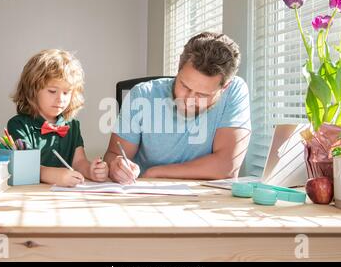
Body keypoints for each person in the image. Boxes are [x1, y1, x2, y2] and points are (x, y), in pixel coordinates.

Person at [104, 32, 251, 184]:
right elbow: (113, 154)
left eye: (202, 95)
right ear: (179, 68)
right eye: (184, 86)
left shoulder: (235, 91)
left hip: (203, 197)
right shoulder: (142, 94)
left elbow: (227, 166)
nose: (188, 100)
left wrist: (156, 172)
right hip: (145, 193)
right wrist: (116, 166)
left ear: (224, 87)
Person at [8, 49, 108, 187]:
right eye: (52, 91)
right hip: (29, 195)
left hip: (65, 199)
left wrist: (91, 170)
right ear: (32, 90)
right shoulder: (18, 125)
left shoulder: (72, 125)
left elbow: (78, 162)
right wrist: (53, 175)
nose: (60, 99)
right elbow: (25, 168)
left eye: (66, 92)